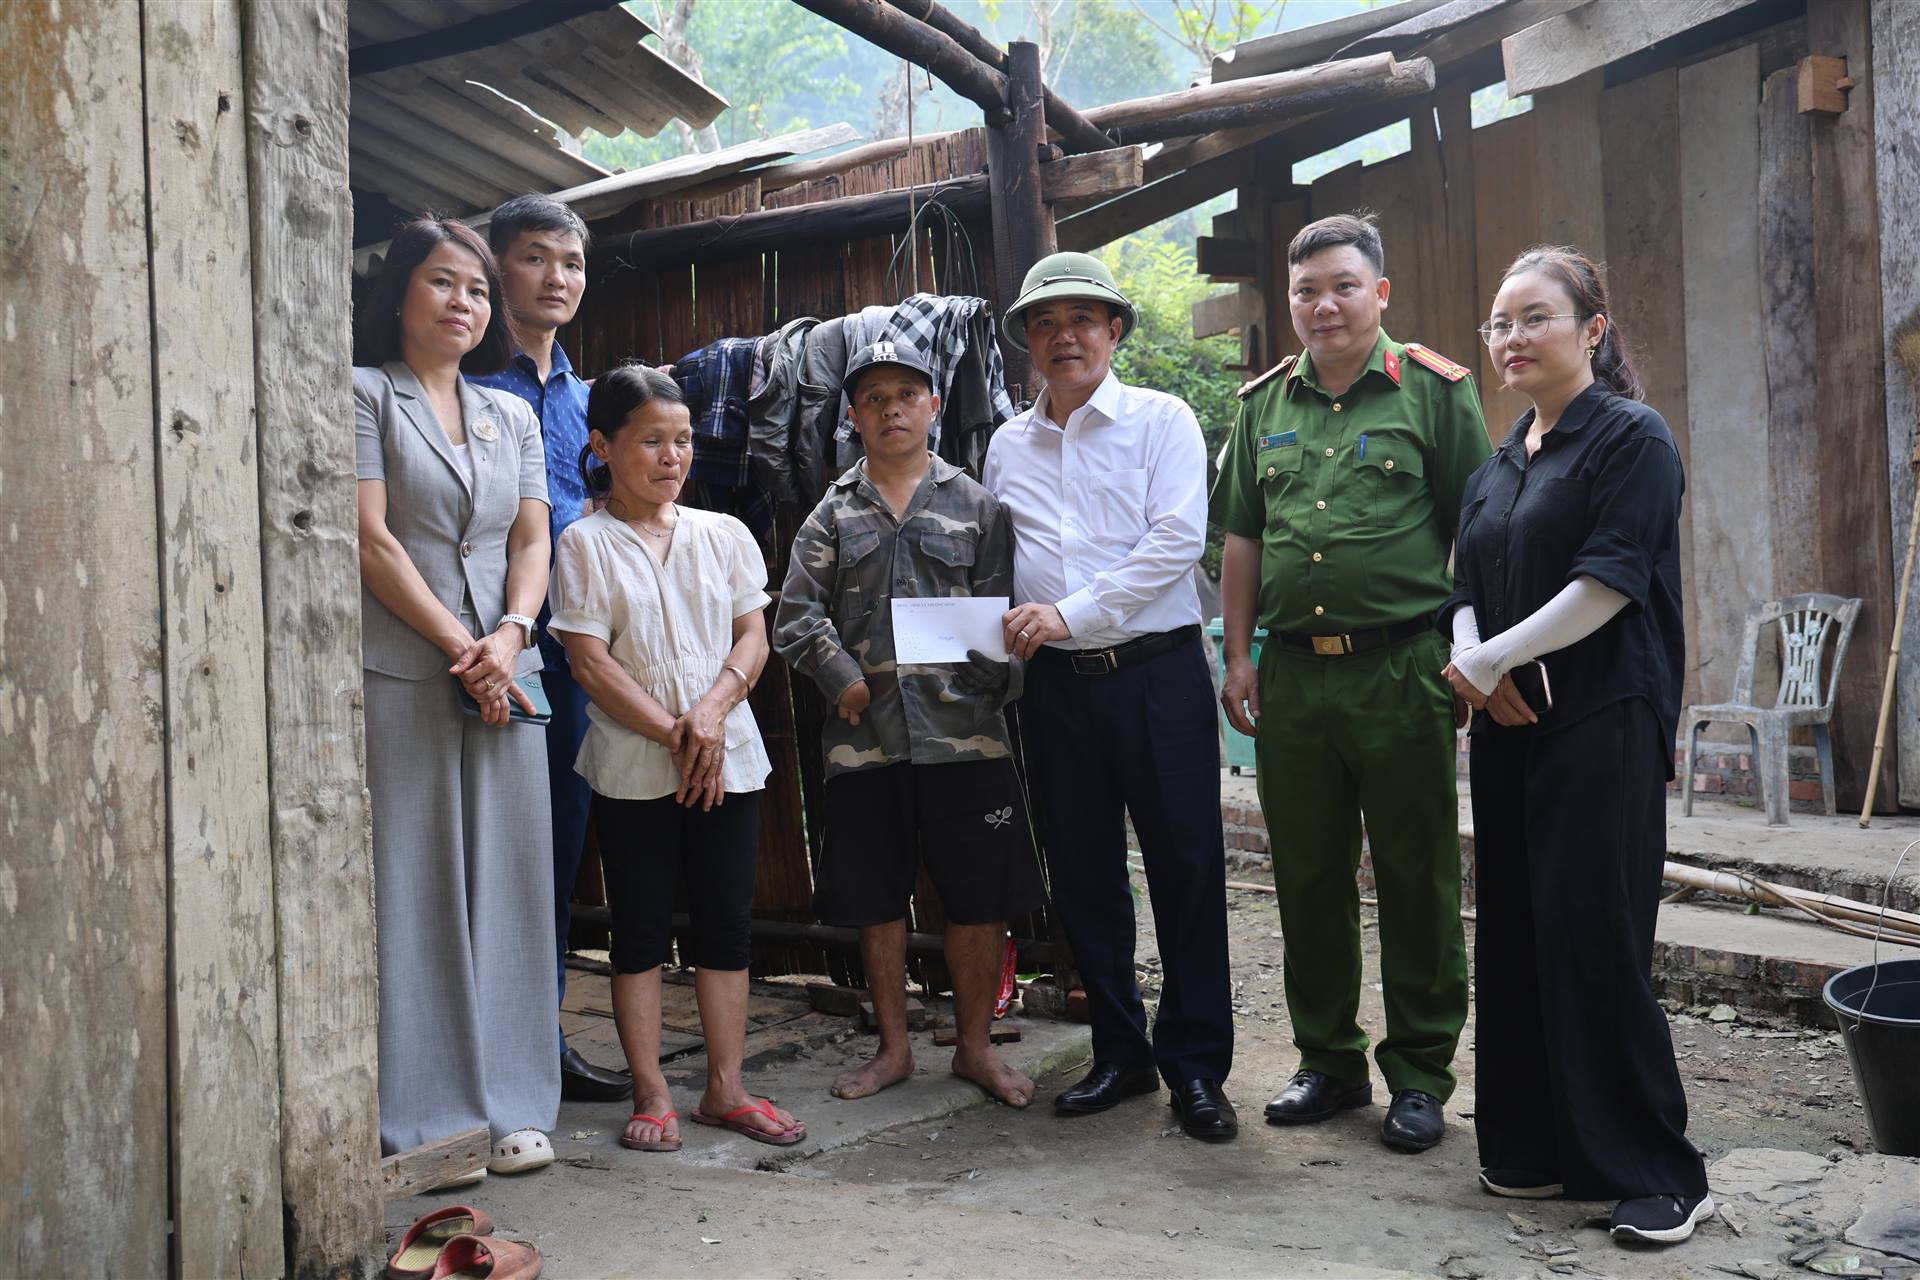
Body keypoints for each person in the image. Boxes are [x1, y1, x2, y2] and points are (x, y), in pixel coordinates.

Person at [1440, 247, 1711, 1244]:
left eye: (1535, 317)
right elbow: (1460, 587)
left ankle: (1657, 1170)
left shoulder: (1632, 439)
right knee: (1513, 930)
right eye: (1500, 322)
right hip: (1508, 728)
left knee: (1593, 933)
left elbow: (1608, 580)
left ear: (1593, 329)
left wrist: (1489, 661)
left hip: (1603, 721)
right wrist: (1477, 660)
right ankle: (1534, 1145)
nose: (1512, 338)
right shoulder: (1498, 464)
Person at [1213, 213, 1489, 1153]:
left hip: (1404, 669)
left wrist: (1470, 653)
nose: (1322, 306)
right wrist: (1238, 653)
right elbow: (1242, 537)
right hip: (1291, 679)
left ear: (1380, 293)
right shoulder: (1261, 407)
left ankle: (1419, 1076)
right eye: (1305, 291)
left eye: (1341, 286)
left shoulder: (1437, 393)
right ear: (1287, 303)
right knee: (1307, 877)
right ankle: (1327, 1061)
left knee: (1417, 875)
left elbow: (1477, 531)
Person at [983, 253, 1237, 1142]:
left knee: (1187, 871)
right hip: (1056, 690)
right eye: (1045, 325)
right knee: (1086, 874)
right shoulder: (1008, 443)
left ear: (1115, 331)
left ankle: (1198, 1069)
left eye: (1083, 320)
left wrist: (1068, 611)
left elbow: (1177, 544)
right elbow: (998, 564)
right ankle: (1120, 1054)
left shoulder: (1162, 420)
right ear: (1027, 343)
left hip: (1157, 676)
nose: (1065, 337)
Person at [773, 340, 1045, 1108]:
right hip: (866, 742)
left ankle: (974, 1049)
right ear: (855, 417)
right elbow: (795, 617)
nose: (892, 410)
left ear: (932, 406)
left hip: (969, 735)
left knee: (980, 895)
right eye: (874, 400)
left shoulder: (979, 507)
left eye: (907, 395)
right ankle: (892, 1049)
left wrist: (998, 676)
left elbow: (1004, 610)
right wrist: (844, 683)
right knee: (876, 897)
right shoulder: (833, 512)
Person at [548, 364, 806, 1150]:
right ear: (603, 445)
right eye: (652, 440)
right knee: (639, 929)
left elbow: (752, 636)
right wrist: (674, 732)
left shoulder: (721, 535)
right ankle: (653, 1093)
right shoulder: (584, 544)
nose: (672, 456)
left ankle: (726, 1088)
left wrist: (712, 713)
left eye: (683, 440)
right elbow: (590, 662)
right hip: (634, 761)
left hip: (726, 755)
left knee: (726, 925)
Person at [353, 218, 558, 1177]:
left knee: (514, 886)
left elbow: (530, 542)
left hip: (509, 677)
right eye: (442, 284)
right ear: (400, 296)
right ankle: (432, 1123)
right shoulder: (362, 395)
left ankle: (517, 1103)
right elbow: (371, 540)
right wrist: (459, 647)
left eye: (476, 290)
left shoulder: (512, 415)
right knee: (418, 882)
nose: (463, 303)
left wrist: (510, 639)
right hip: (404, 669)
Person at [471, 195, 632, 1104]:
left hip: (577, 661)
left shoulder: (590, 400)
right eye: (536, 259)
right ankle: (474, 1050)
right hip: (480, 651)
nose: (557, 278)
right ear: (497, 268)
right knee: (478, 852)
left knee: (557, 857)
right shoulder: (461, 389)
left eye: (570, 263)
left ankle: (541, 1043)